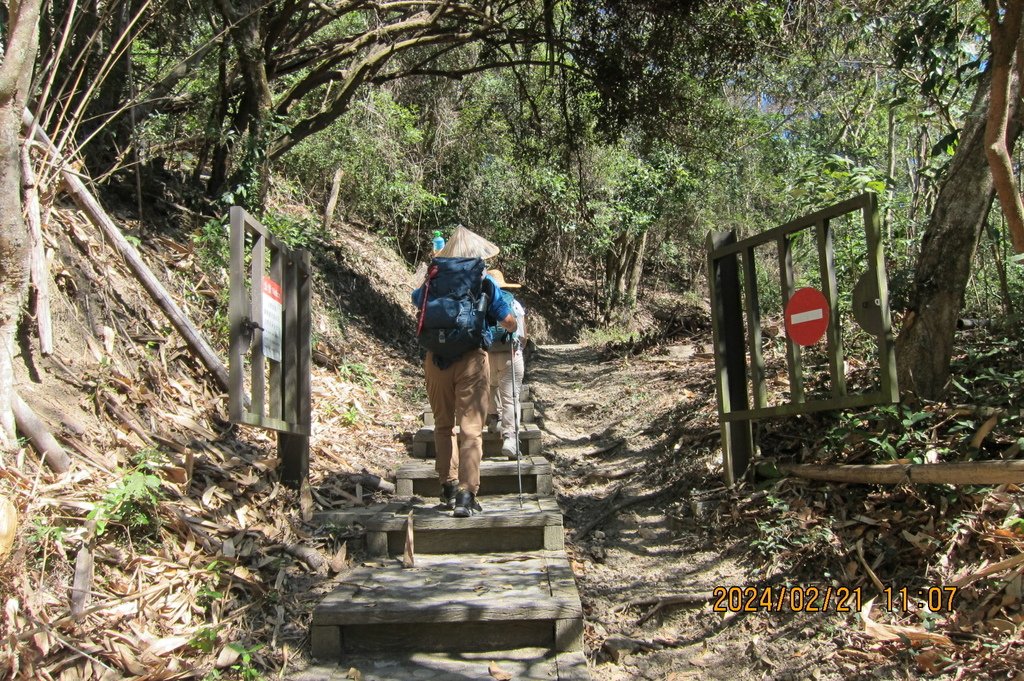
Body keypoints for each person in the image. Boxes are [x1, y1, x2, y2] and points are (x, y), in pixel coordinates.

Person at [412, 227, 517, 517]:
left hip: (435, 361)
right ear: (477, 254)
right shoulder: (483, 280)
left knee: (443, 426)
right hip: (471, 359)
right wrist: (510, 326)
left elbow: (416, 300)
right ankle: (466, 494)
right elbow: (506, 319)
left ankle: (447, 485)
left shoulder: (434, 277)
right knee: (471, 430)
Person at [484, 270, 526, 458]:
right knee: (510, 397)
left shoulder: (481, 302)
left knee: (491, 387)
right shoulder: (513, 303)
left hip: (486, 354)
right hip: (509, 353)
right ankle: (510, 438)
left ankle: (493, 420)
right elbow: (523, 335)